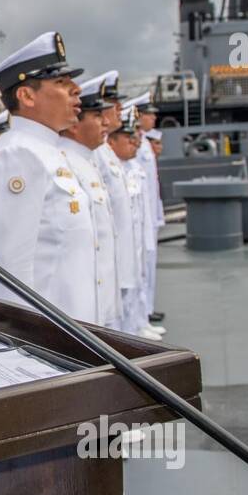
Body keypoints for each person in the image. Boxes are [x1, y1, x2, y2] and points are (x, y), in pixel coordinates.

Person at [0, 32, 95, 320]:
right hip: (53, 342)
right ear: (26, 95)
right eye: (61, 82)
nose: (76, 90)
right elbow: (11, 270)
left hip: (75, 329)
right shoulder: (18, 154)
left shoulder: (48, 150)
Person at [59, 75, 119, 328]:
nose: (105, 122)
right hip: (75, 300)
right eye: (97, 116)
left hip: (97, 289)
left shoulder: (85, 160)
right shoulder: (66, 161)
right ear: (74, 125)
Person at [92, 73, 142, 336]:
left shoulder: (105, 151)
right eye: (115, 106)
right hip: (108, 263)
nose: (119, 111)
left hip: (120, 254)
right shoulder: (97, 152)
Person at [121, 94, 166, 338]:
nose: (153, 117)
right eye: (149, 113)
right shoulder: (128, 152)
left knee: (144, 269)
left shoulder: (144, 144)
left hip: (146, 217)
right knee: (136, 272)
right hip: (136, 224)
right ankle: (137, 320)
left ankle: (143, 315)